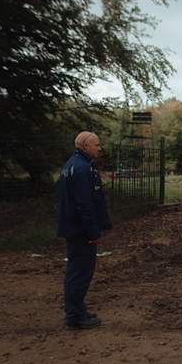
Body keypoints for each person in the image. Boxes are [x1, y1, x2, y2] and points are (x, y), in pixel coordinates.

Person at [57, 131, 111, 329]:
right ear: (85, 146)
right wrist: (92, 231)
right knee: (80, 272)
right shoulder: (81, 169)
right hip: (80, 231)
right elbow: (84, 204)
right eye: (96, 145)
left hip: (74, 228)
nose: (99, 148)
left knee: (76, 270)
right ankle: (75, 316)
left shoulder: (72, 165)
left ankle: (77, 310)